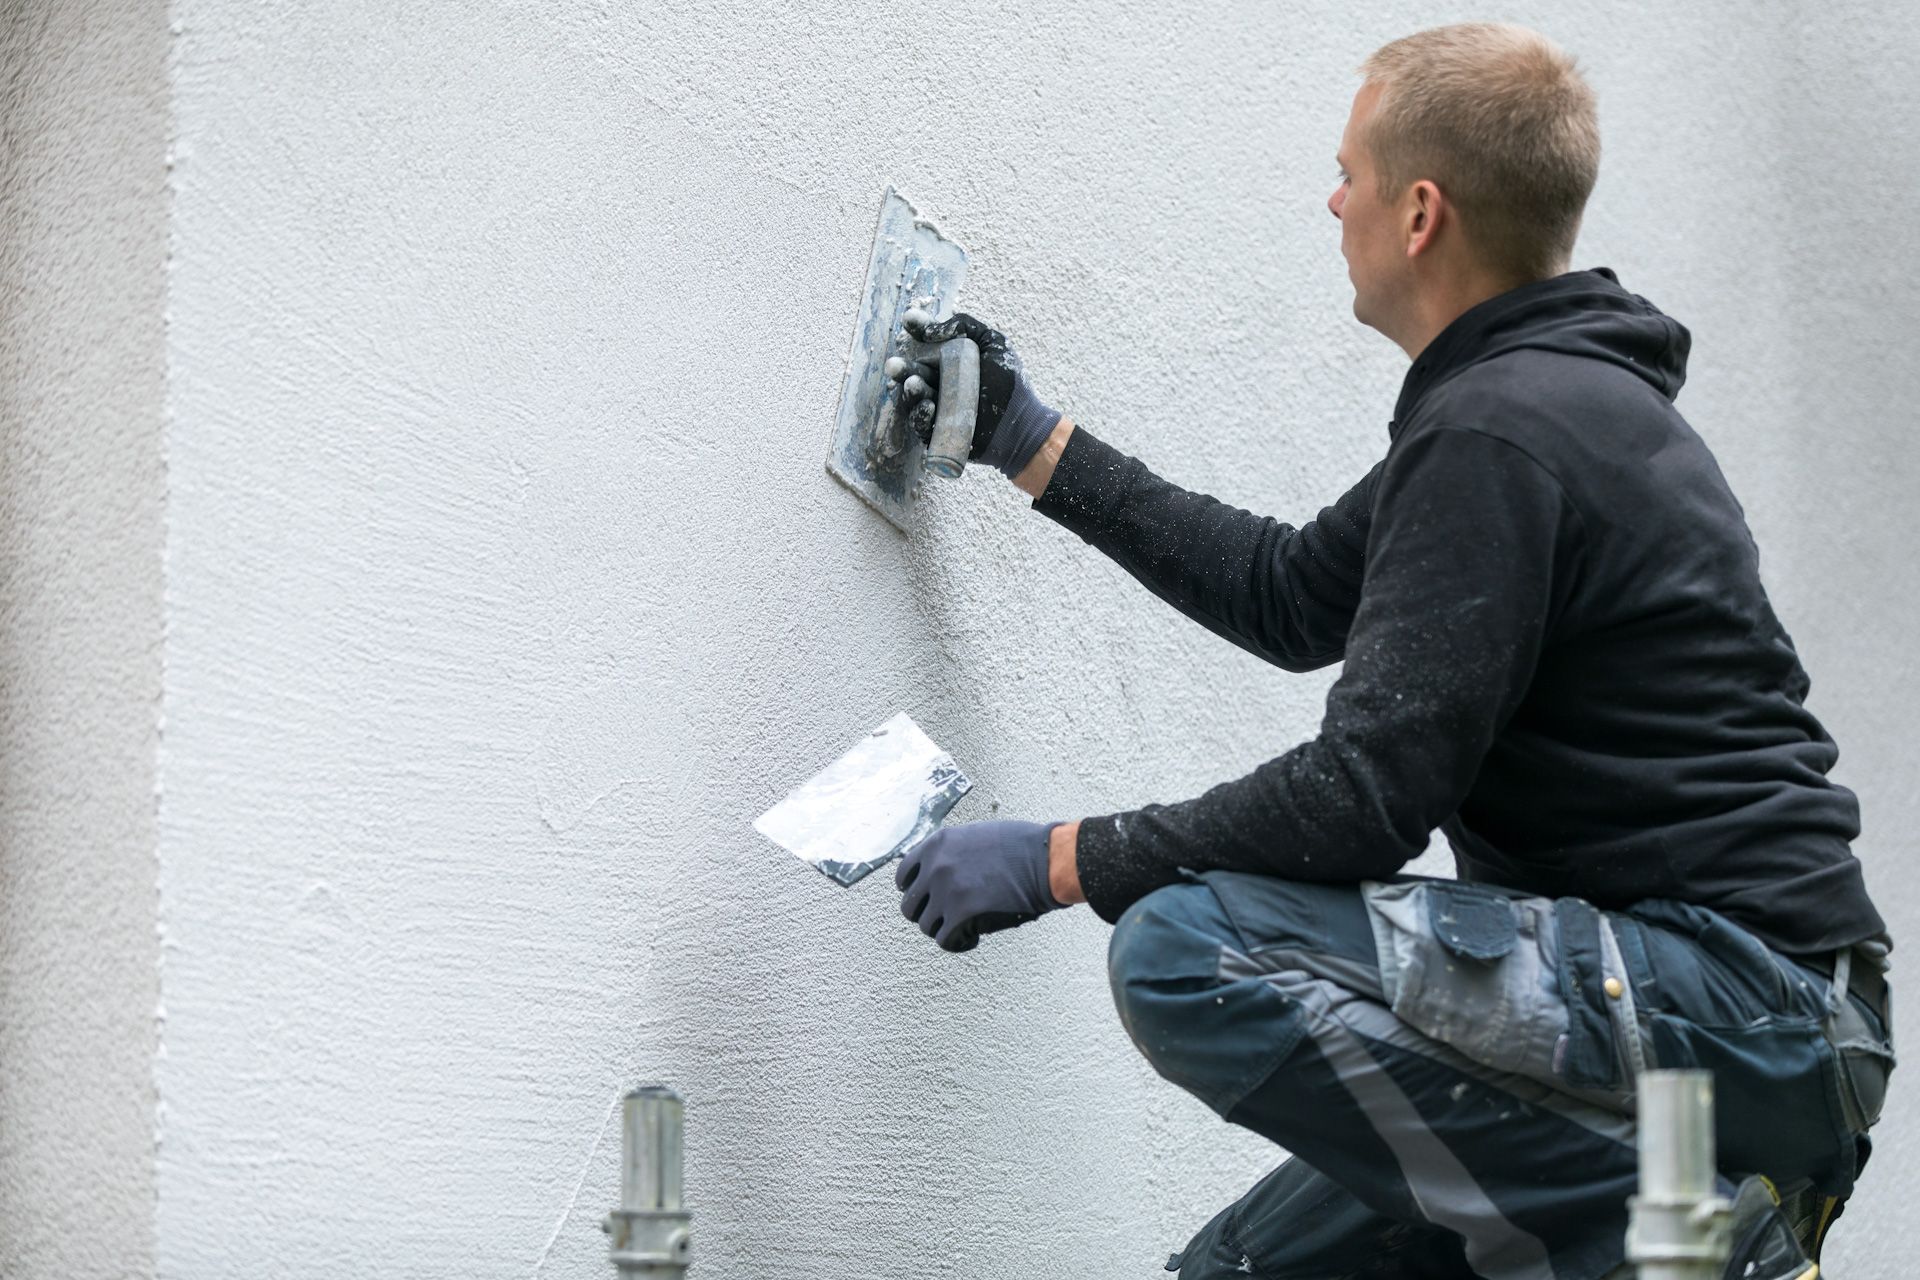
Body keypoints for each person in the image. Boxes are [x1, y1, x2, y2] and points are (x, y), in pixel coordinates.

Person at [887, 21, 1894, 1280]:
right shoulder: (1534, 409)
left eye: (1349, 173)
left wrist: (1059, 858)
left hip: (1748, 1007)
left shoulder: (1507, 430)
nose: (1332, 199)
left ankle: (1704, 1248)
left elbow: (1362, 801)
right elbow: (1288, 593)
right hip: (1737, 1021)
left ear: (1419, 213)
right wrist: (1032, 440)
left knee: (1188, 949)